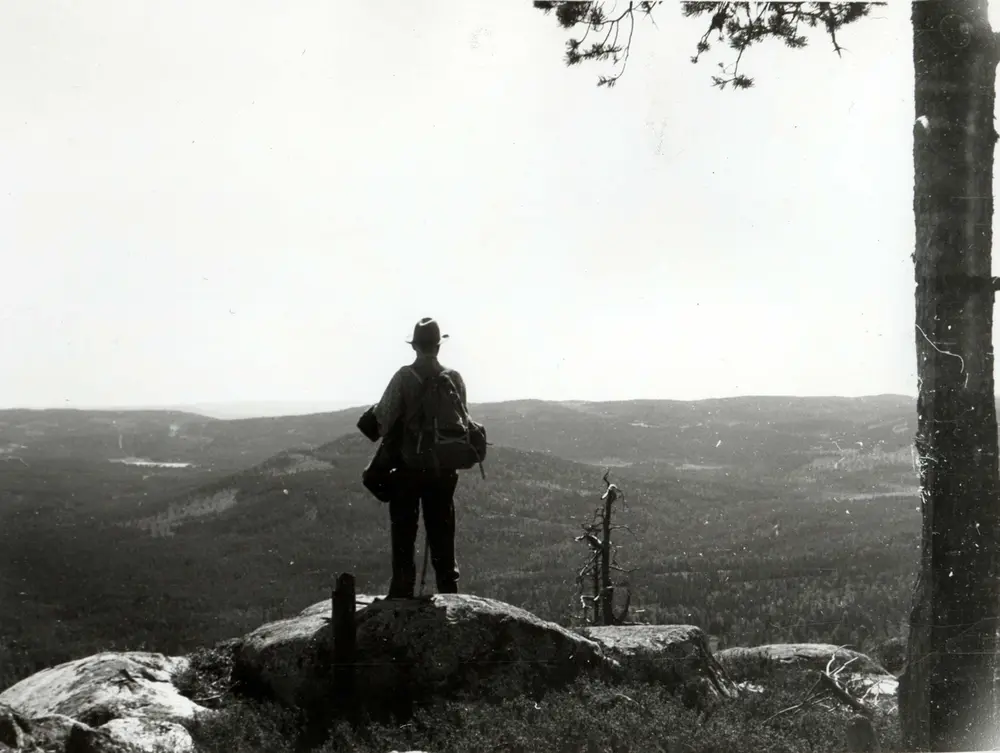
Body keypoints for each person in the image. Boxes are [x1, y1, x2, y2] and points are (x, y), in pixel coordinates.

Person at [373, 317, 469, 598]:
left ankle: (402, 591)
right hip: (443, 470)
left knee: (404, 530)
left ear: (415, 346)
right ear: (438, 346)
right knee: (442, 532)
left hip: (408, 468)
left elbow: (383, 422)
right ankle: (450, 593)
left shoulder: (404, 377)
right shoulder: (454, 378)